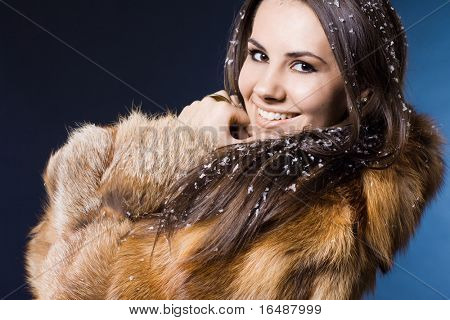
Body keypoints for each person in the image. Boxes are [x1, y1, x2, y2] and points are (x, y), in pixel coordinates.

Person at [25, 0, 445, 299]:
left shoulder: (311, 230)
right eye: (258, 55)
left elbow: (74, 294)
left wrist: (163, 158)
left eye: (303, 66)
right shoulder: (257, 158)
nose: (265, 89)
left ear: (363, 92)